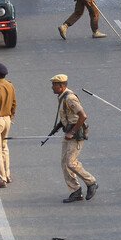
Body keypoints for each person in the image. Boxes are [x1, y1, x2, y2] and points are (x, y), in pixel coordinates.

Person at [50, 74, 97, 204]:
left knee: (71, 162)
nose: (52, 87)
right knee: (64, 163)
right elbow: (67, 115)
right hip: (68, 131)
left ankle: (91, 182)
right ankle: (75, 190)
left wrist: (72, 131)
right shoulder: (62, 97)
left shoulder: (70, 98)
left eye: (54, 85)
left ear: (61, 86)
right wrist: (59, 126)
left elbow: (83, 116)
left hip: (75, 134)